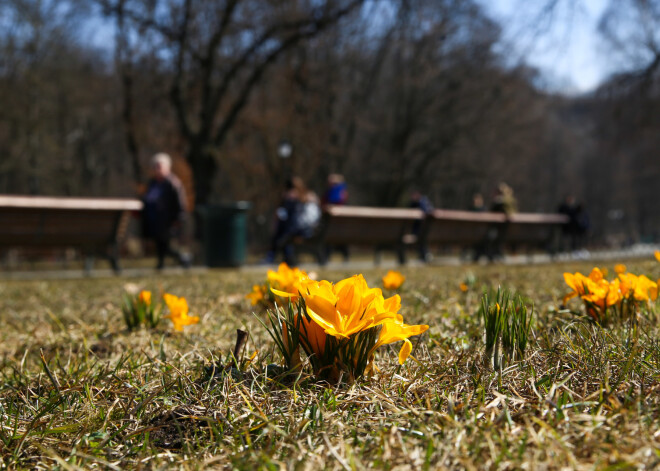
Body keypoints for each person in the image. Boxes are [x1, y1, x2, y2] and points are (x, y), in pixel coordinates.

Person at [141, 153, 190, 269]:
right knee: (160, 244)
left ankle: (183, 258)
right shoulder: (152, 183)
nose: (157, 169)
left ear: (167, 167)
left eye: (159, 166)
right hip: (155, 220)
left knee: (166, 245)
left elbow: (180, 203)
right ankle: (162, 263)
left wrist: (179, 218)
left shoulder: (172, 183)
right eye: (155, 166)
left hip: (168, 221)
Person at [266, 177, 321, 266]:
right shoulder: (304, 197)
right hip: (304, 228)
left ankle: (273, 256)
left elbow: (305, 218)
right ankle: (281, 257)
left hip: (306, 229)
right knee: (284, 230)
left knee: (284, 232)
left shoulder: (304, 198)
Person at [409, 190, 434, 262]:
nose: (412, 197)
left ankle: (424, 254)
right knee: (421, 237)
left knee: (420, 236)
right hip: (426, 231)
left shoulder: (420, 203)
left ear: (417, 194)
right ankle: (425, 254)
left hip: (421, 231)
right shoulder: (426, 203)